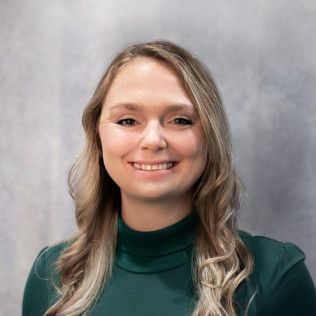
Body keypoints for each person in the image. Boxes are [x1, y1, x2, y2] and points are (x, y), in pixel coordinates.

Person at [22, 40, 316, 316]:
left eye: (181, 120)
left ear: (210, 138)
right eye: (127, 120)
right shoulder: (52, 275)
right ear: (97, 135)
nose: (153, 140)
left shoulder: (274, 275)